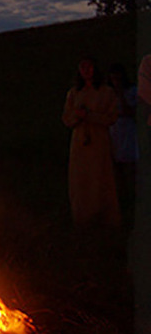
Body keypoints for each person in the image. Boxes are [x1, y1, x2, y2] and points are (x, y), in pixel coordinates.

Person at [62, 57, 120, 227]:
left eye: (89, 67)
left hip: (98, 140)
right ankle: (82, 217)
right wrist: (77, 117)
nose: (86, 70)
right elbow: (66, 118)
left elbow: (111, 117)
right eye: (83, 67)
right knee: (81, 179)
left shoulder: (106, 92)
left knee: (100, 177)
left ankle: (104, 216)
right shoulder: (74, 93)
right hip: (80, 141)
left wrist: (90, 116)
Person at [106, 63, 138, 225]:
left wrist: (120, 94)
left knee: (130, 168)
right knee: (115, 168)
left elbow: (131, 112)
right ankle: (120, 202)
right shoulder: (107, 93)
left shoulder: (131, 91)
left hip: (128, 130)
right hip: (114, 130)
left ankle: (133, 201)